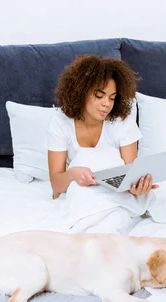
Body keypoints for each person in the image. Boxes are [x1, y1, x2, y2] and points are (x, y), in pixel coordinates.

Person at [47, 54, 158, 199]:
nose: (107, 103)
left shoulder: (122, 121)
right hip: (79, 192)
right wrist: (73, 173)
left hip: (114, 195)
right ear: (81, 92)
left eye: (112, 98)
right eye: (99, 96)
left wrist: (137, 187)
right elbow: (56, 185)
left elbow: (130, 177)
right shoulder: (61, 121)